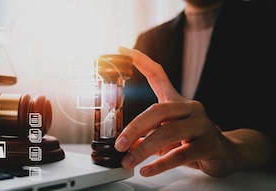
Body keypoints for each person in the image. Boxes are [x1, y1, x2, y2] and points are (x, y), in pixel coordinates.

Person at [117, 0, 276, 178]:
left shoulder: (268, 19)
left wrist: (234, 149)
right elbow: (126, 123)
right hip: (165, 181)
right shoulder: (150, 39)